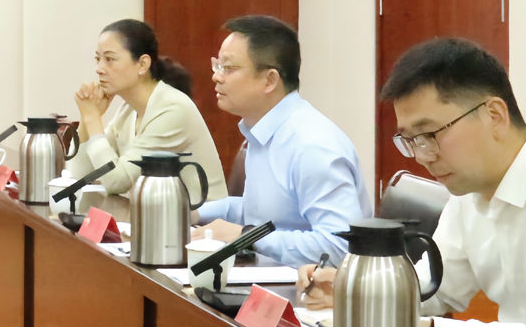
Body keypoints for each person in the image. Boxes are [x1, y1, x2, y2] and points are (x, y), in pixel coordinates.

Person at [301, 38, 526, 327]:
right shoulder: (469, 191)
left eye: (430, 134)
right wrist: (361, 290)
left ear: (494, 115)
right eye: (411, 141)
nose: (422, 156)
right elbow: (437, 287)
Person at [191, 14, 366, 264]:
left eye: (228, 68)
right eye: (217, 66)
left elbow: (339, 246)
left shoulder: (312, 146)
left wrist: (244, 237)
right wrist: (194, 214)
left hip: (310, 286)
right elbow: (260, 213)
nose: (216, 77)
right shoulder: (264, 132)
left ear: (269, 80)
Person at [64, 18, 227, 202]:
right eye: (98, 59)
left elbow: (116, 181)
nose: (99, 69)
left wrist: (93, 117)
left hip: (199, 217)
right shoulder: (128, 110)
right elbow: (81, 174)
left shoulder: (173, 109)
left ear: (142, 64)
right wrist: (87, 118)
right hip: (155, 213)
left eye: (109, 59)